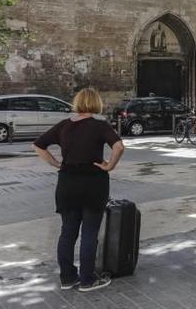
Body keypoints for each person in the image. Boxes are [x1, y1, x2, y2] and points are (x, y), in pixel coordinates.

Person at [32, 88, 125, 292]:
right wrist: (109, 166)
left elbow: (38, 145)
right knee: (89, 233)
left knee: (67, 232)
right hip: (93, 183)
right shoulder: (100, 125)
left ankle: (67, 277)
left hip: (67, 182)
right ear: (97, 103)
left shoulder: (64, 125)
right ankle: (87, 279)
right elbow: (118, 146)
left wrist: (57, 163)